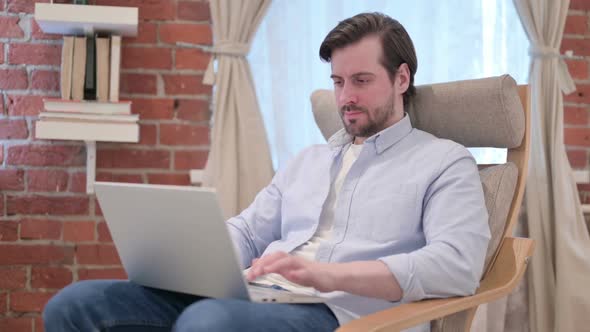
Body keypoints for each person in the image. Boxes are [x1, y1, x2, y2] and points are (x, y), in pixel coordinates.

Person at [43, 12, 490, 332]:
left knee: (207, 322)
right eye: (338, 82)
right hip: (261, 296)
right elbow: (250, 232)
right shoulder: (309, 160)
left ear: (402, 79)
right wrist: (191, 256)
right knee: (76, 304)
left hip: (345, 312)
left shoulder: (445, 161)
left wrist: (324, 275)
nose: (345, 97)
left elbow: (456, 265)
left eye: (361, 80)